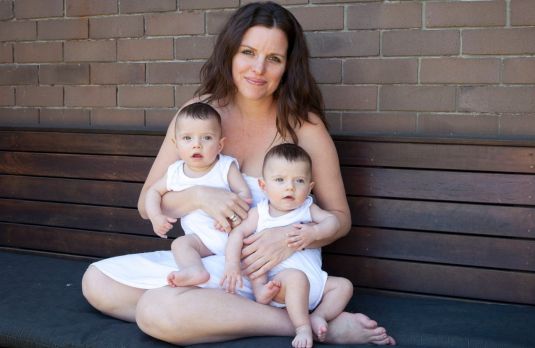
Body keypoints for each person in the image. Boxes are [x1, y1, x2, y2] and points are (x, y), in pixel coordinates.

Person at [81, 1, 395, 345]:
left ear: (288, 66)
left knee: (156, 311)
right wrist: (200, 195)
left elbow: (339, 218)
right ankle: (308, 326)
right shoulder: (197, 116)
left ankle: (282, 316)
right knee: (97, 282)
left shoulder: (305, 128)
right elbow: (147, 203)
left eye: (273, 58)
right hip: (210, 263)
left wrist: (288, 237)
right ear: (230, 52)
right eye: (248, 52)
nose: (258, 68)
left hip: (271, 277)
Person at [222, 143, 353, 347]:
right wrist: (231, 263)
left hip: (317, 283)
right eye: (280, 180)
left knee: (344, 286)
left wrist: (315, 232)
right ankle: (301, 327)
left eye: (299, 180)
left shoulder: (308, 208)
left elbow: (334, 222)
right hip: (282, 286)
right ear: (263, 186)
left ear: (310, 187)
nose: (289, 187)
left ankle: (319, 315)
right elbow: (237, 234)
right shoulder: (261, 213)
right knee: (295, 278)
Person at [144, 102, 251, 288]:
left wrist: (232, 217)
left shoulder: (225, 167)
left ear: (219, 145)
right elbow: (153, 191)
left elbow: (244, 194)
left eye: (206, 138)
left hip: (233, 237)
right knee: (180, 244)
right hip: (201, 242)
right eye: (187, 138)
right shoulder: (176, 172)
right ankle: (195, 270)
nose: (196, 145)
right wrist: (156, 216)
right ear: (176, 144)